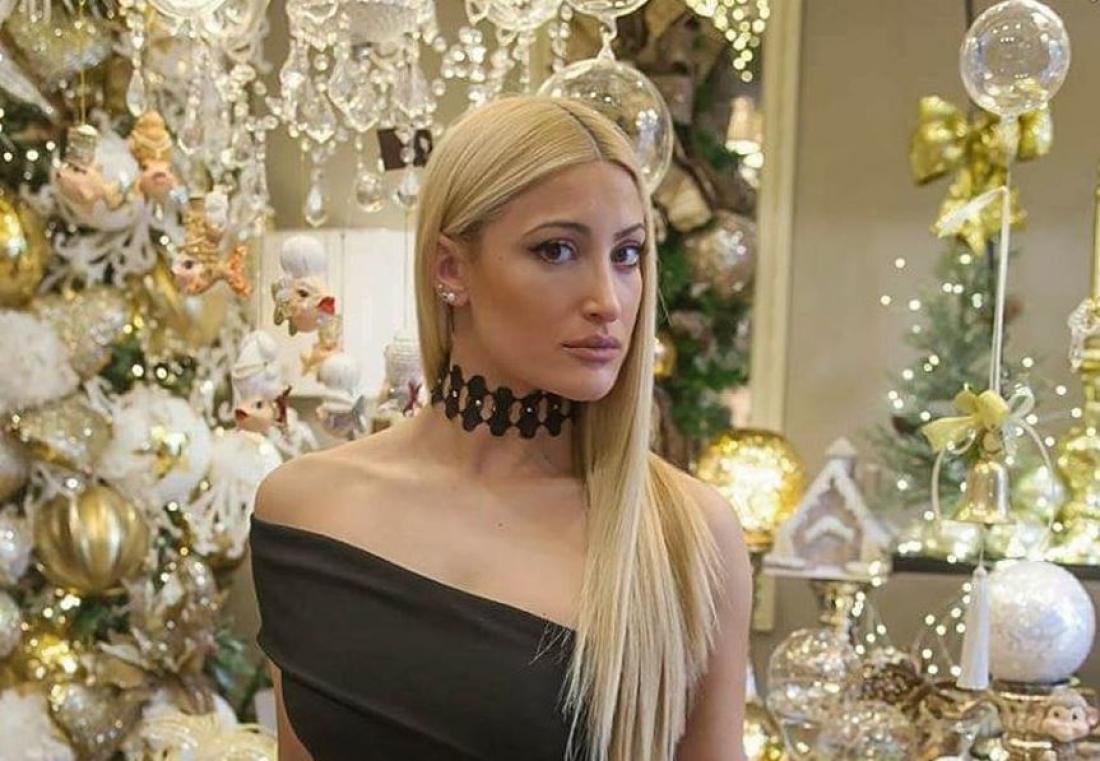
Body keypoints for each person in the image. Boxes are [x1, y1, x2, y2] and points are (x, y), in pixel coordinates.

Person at [249, 95, 751, 761]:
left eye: (627, 255)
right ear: (450, 268)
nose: (607, 300)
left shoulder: (686, 535)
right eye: (558, 249)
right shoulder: (304, 508)